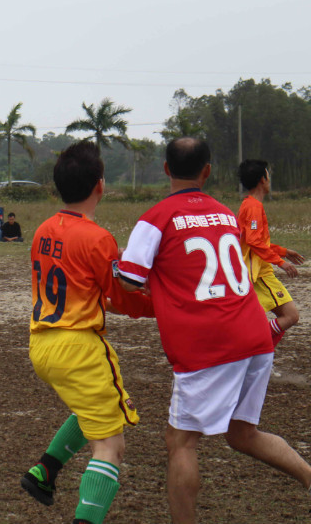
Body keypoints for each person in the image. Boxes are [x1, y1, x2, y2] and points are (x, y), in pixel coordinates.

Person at [118, 138, 311, 524]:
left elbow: (128, 280)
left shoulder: (156, 218)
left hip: (209, 345)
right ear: (207, 171)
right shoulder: (225, 214)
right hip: (256, 335)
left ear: (166, 169)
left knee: (181, 442)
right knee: (242, 434)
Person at [20, 142, 154, 524]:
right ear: (100, 185)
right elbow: (120, 299)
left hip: (41, 343)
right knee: (110, 445)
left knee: (91, 409)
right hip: (78, 347)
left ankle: (45, 471)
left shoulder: (43, 230)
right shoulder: (98, 238)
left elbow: (84, 281)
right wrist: (162, 305)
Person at [237, 159, 303, 346]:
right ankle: (247, 345)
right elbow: (253, 241)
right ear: (262, 180)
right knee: (290, 316)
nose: (269, 179)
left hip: (257, 272)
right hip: (259, 275)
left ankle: (257, 352)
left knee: (285, 316)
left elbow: (256, 242)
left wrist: (283, 251)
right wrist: (281, 262)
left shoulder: (250, 205)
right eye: (268, 175)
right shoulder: (253, 207)